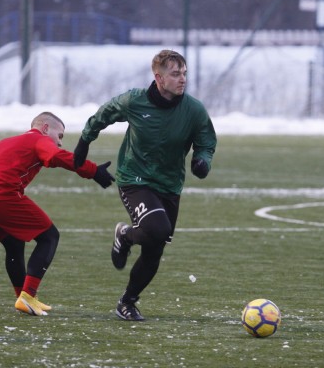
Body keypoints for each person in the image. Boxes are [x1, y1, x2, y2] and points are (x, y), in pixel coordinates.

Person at [73, 49, 217, 321]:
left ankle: (127, 302)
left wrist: (202, 161)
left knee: (155, 249)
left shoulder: (194, 110)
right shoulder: (135, 101)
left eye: (184, 73)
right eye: (175, 74)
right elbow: (104, 113)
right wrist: (84, 141)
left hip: (170, 185)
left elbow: (206, 142)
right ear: (159, 78)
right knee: (158, 228)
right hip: (134, 179)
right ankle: (126, 235)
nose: (182, 79)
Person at [0, 111, 115, 316]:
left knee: (14, 244)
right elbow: (56, 156)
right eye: (59, 136)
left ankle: (24, 298)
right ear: (45, 128)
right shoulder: (39, 139)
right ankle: (28, 296)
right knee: (50, 236)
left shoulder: (6, 142)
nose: (60, 142)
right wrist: (93, 171)